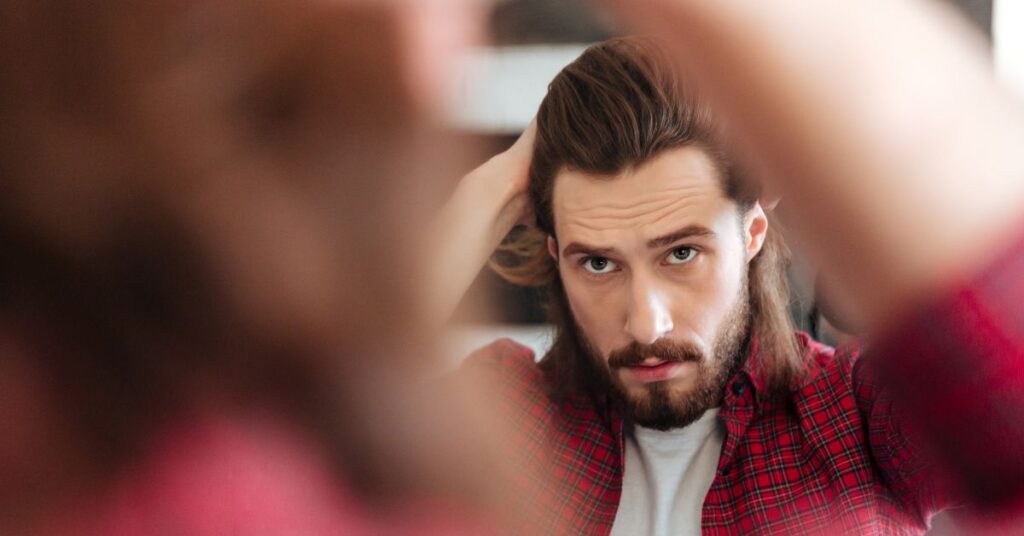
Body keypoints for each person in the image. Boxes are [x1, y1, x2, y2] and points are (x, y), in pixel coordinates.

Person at [435, 9, 1024, 532]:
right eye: (597, 263)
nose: (646, 323)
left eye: (682, 253)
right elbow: (343, 421)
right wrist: (490, 191)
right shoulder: (507, 418)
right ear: (555, 254)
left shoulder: (856, 415)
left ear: (752, 232)